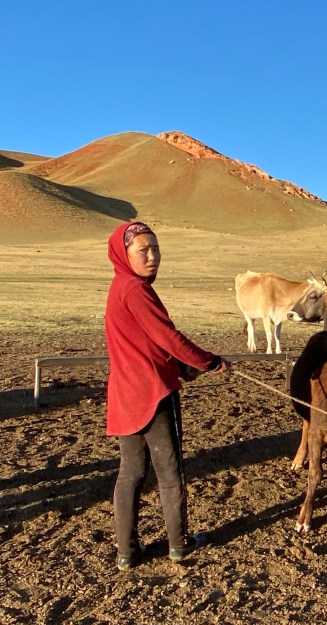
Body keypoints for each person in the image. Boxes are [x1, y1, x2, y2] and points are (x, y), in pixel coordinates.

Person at [105, 221, 231, 571]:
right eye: (143, 250)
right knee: (169, 470)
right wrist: (209, 361)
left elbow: (147, 342)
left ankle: (127, 551)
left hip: (126, 393)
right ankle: (178, 543)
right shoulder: (135, 289)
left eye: (156, 249)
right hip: (152, 393)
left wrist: (180, 367)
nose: (152, 257)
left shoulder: (121, 286)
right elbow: (168, 337)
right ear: (124, 254)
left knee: (131, 472)